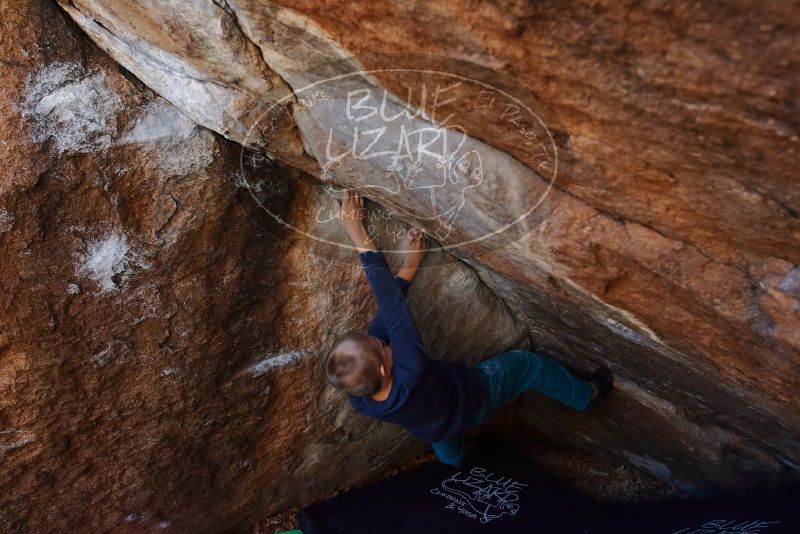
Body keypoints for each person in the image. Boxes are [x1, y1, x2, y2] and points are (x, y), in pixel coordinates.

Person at [325, 190, 613, 466]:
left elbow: (384, 322)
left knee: (443, 439)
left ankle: (455, 461)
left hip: (436, 426)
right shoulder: (411, 367)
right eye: (381, 346)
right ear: (385, 371)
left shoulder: (360, 398)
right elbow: (393, 310)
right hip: (476, 398)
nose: (382, 341)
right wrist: (359, 236)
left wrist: (410, 268)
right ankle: (586, 397)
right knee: (528, 365)